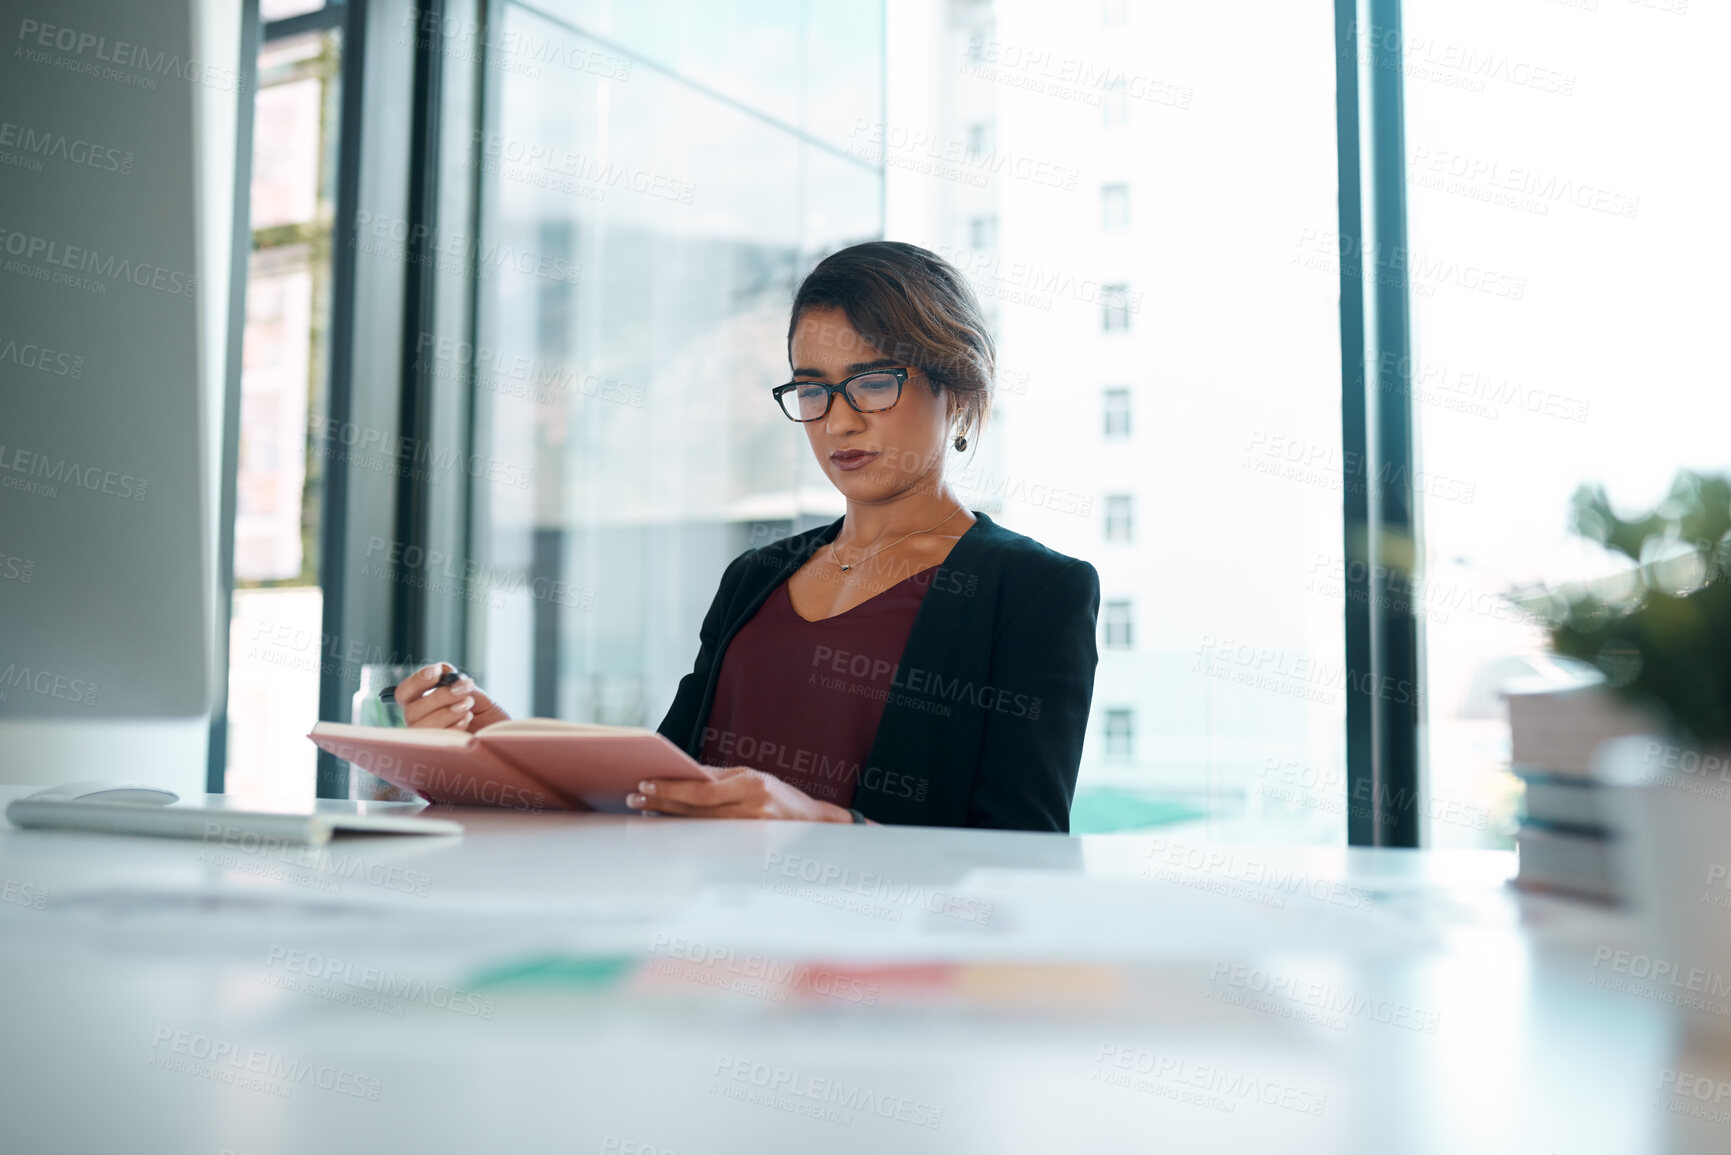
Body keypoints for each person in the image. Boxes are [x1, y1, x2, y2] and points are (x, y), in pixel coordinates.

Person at [397, 241, 1099, 832]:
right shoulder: (754, 576)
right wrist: (498, 746)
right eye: (813, 387)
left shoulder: (1036, 591)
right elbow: (662, 787)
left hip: (878, 975)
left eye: (872, 383)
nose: (838, 420)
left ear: (960, 389)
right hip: (707, 948)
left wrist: (821, 826)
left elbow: (1024, 854)